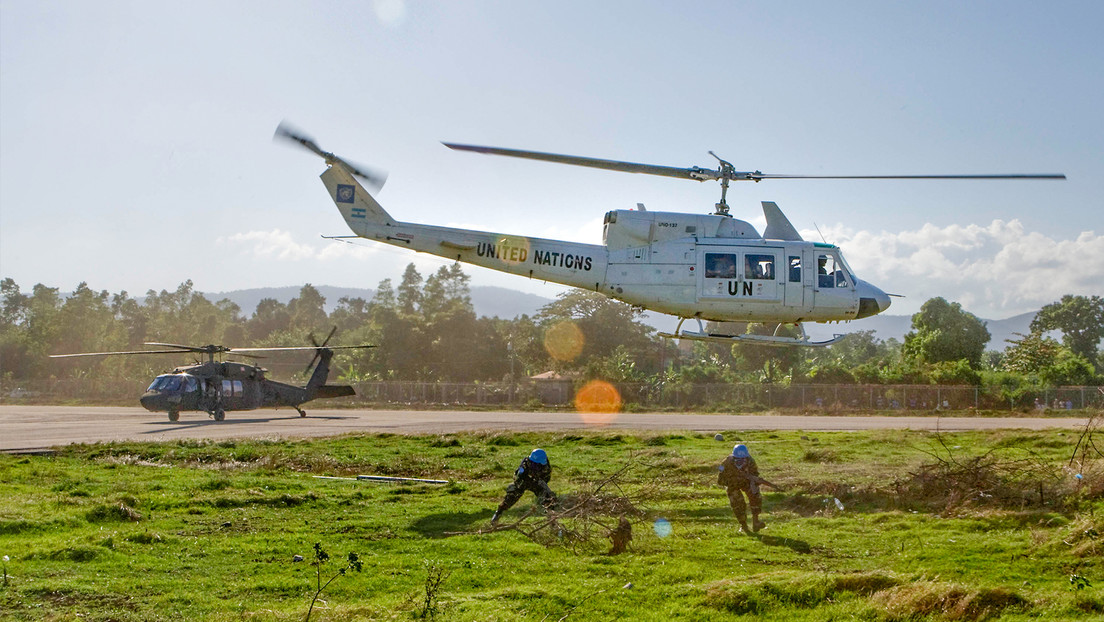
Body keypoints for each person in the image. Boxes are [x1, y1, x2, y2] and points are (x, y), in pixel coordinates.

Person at [491, 448, 557, 524]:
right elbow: (517, 479)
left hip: (537, 483)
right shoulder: (525, 464)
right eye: (534, 464)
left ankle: (552, 520)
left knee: (548, 498)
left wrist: (538, 481)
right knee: (512, 495)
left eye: (538, 465)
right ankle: (497, 514)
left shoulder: (546, 467)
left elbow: (546, 479)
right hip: (524, 481)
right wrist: (525, 479)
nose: (535, 466)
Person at [717, 444, 766, 533]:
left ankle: (756, 522)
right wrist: (729, 482)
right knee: (737, 503)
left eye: (743, 459)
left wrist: (754, 482)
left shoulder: (750, 461)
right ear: (733, 457)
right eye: (737, 459)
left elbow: (755, 474)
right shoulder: (726, 462)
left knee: (755, 495)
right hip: (733, 484)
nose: (740, 461)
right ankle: (743, 526)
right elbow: (720, 477)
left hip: (746, 482)